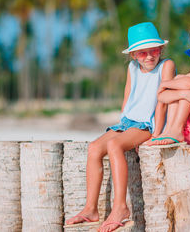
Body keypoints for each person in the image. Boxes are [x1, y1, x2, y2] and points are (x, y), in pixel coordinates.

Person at [65, 22, 175, 232]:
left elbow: (162, 102)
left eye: (154, 50)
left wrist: (157, 134)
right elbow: (128, 98)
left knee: (115, 145)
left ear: (161, 49)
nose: (149, 56)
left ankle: (120, 208)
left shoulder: (166, 65)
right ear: (133, 55)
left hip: (147, 124)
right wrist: (121, 125)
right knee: (95, 148)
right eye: (142, 53)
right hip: (128, 122)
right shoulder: (132, 68)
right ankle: (90, 209)